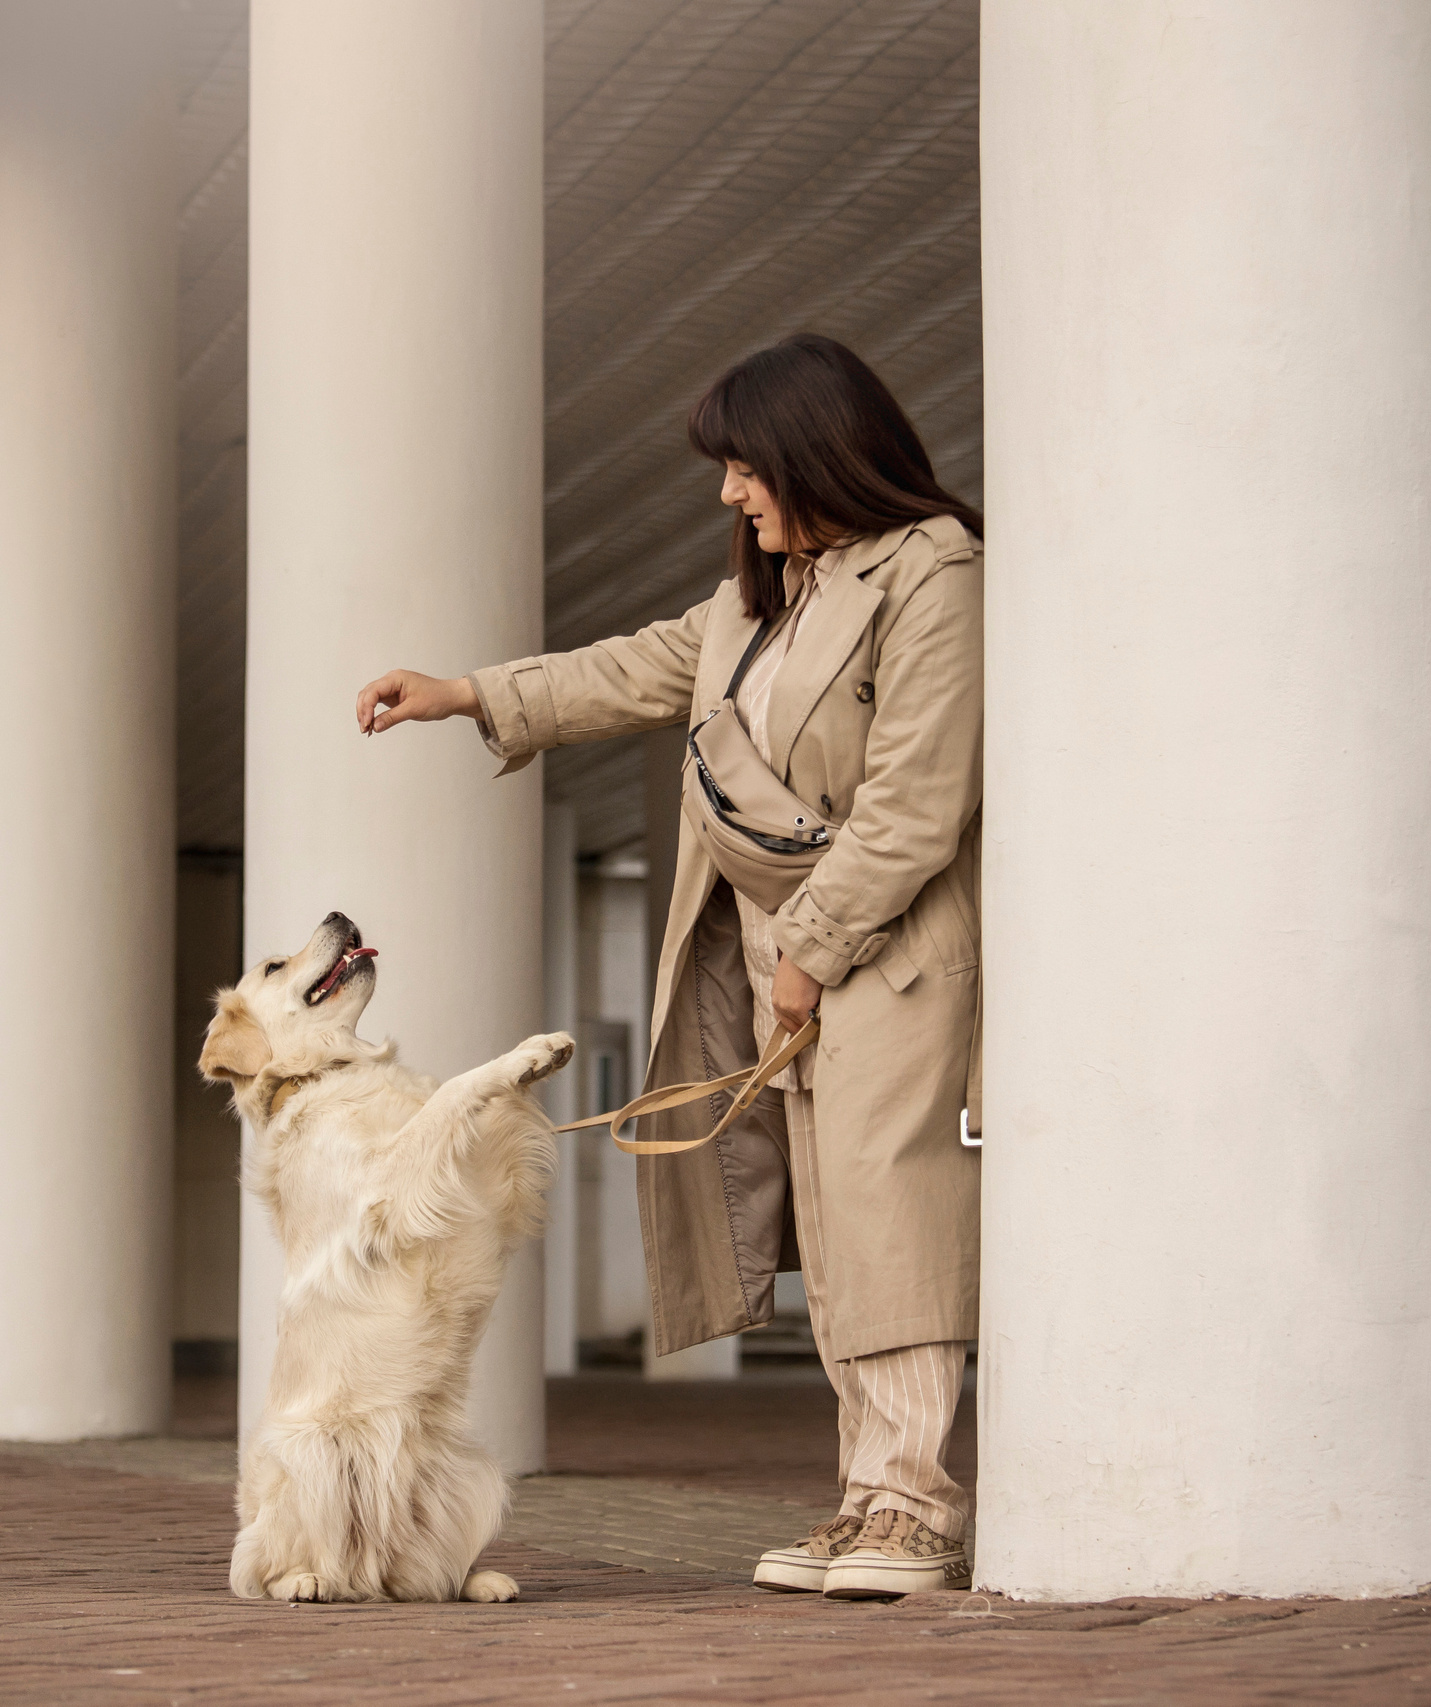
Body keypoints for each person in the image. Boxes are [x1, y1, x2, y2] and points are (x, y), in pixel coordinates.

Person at [354, 333, 984, 1601]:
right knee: (839, 1233)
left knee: (890, 1215)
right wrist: (466, 694)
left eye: (745, 466)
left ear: (816, 451)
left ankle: (916, 1507)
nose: (729, 494)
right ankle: (867, 1495)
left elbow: (918, 803)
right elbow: (633, 667)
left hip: (889, 956)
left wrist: (807, 952)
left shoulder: (934, 574)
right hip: (786, 963)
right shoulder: (767, 596)